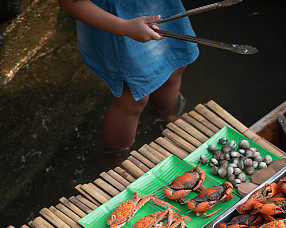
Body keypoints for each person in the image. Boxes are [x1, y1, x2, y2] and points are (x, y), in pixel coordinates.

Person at [59, 1, 199, 153]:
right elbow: (69, 3)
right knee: (134, 95)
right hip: (119, 23)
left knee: (175, 65)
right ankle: (116, 156)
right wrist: (124, 27)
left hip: (162, 7)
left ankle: (162, 118)